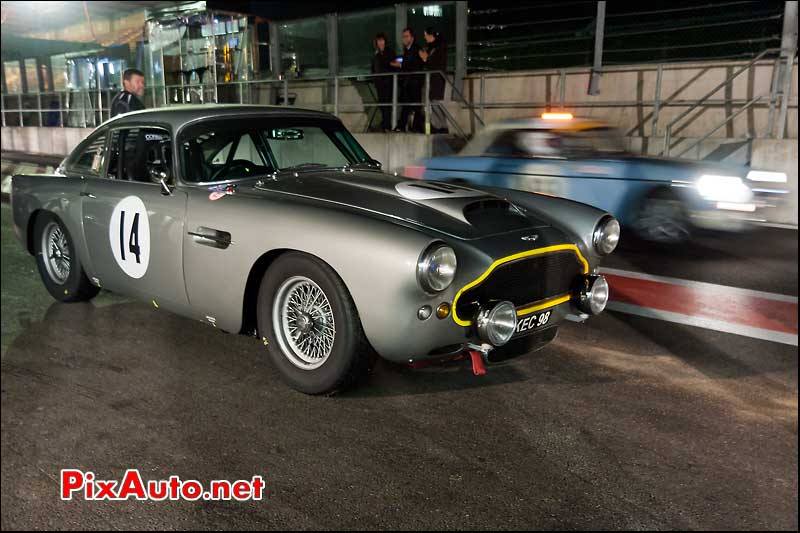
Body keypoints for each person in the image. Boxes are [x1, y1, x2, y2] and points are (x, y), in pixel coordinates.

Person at [392, 28, 425, 133]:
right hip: (408, 82)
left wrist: (401, 65)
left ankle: (416, 127)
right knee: (406, 105)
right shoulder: (407, 50)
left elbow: (415, 63)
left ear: (412, 38)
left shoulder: (416, 48)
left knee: (415, 105)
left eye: (406, 36)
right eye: (403, 37)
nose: (404, 39)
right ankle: (402, 126)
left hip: (415, 82)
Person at [419, 27, 449, 134]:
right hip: (431, 79)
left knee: (436, 101)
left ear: (431, 35)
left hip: (437, 78)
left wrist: (426, 58)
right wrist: (424, 59)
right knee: (432, 101)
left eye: (425, 34)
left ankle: (443, 126)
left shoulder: (440, 47)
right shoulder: (431, 47)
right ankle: (437, 125)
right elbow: (428, 64)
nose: (424, 37)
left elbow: (436, 63)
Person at [370, 32, 397, 131]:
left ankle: (387, 124)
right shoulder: (375, 54)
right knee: (381, 103)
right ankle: (384, 122)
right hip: (379, 83)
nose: (381, 42)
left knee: (387, 103)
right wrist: (374, 79)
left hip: (388, 82)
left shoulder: (389, 52)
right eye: (379, 41)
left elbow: (391, 65)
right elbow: (373, 68)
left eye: (382, 40)